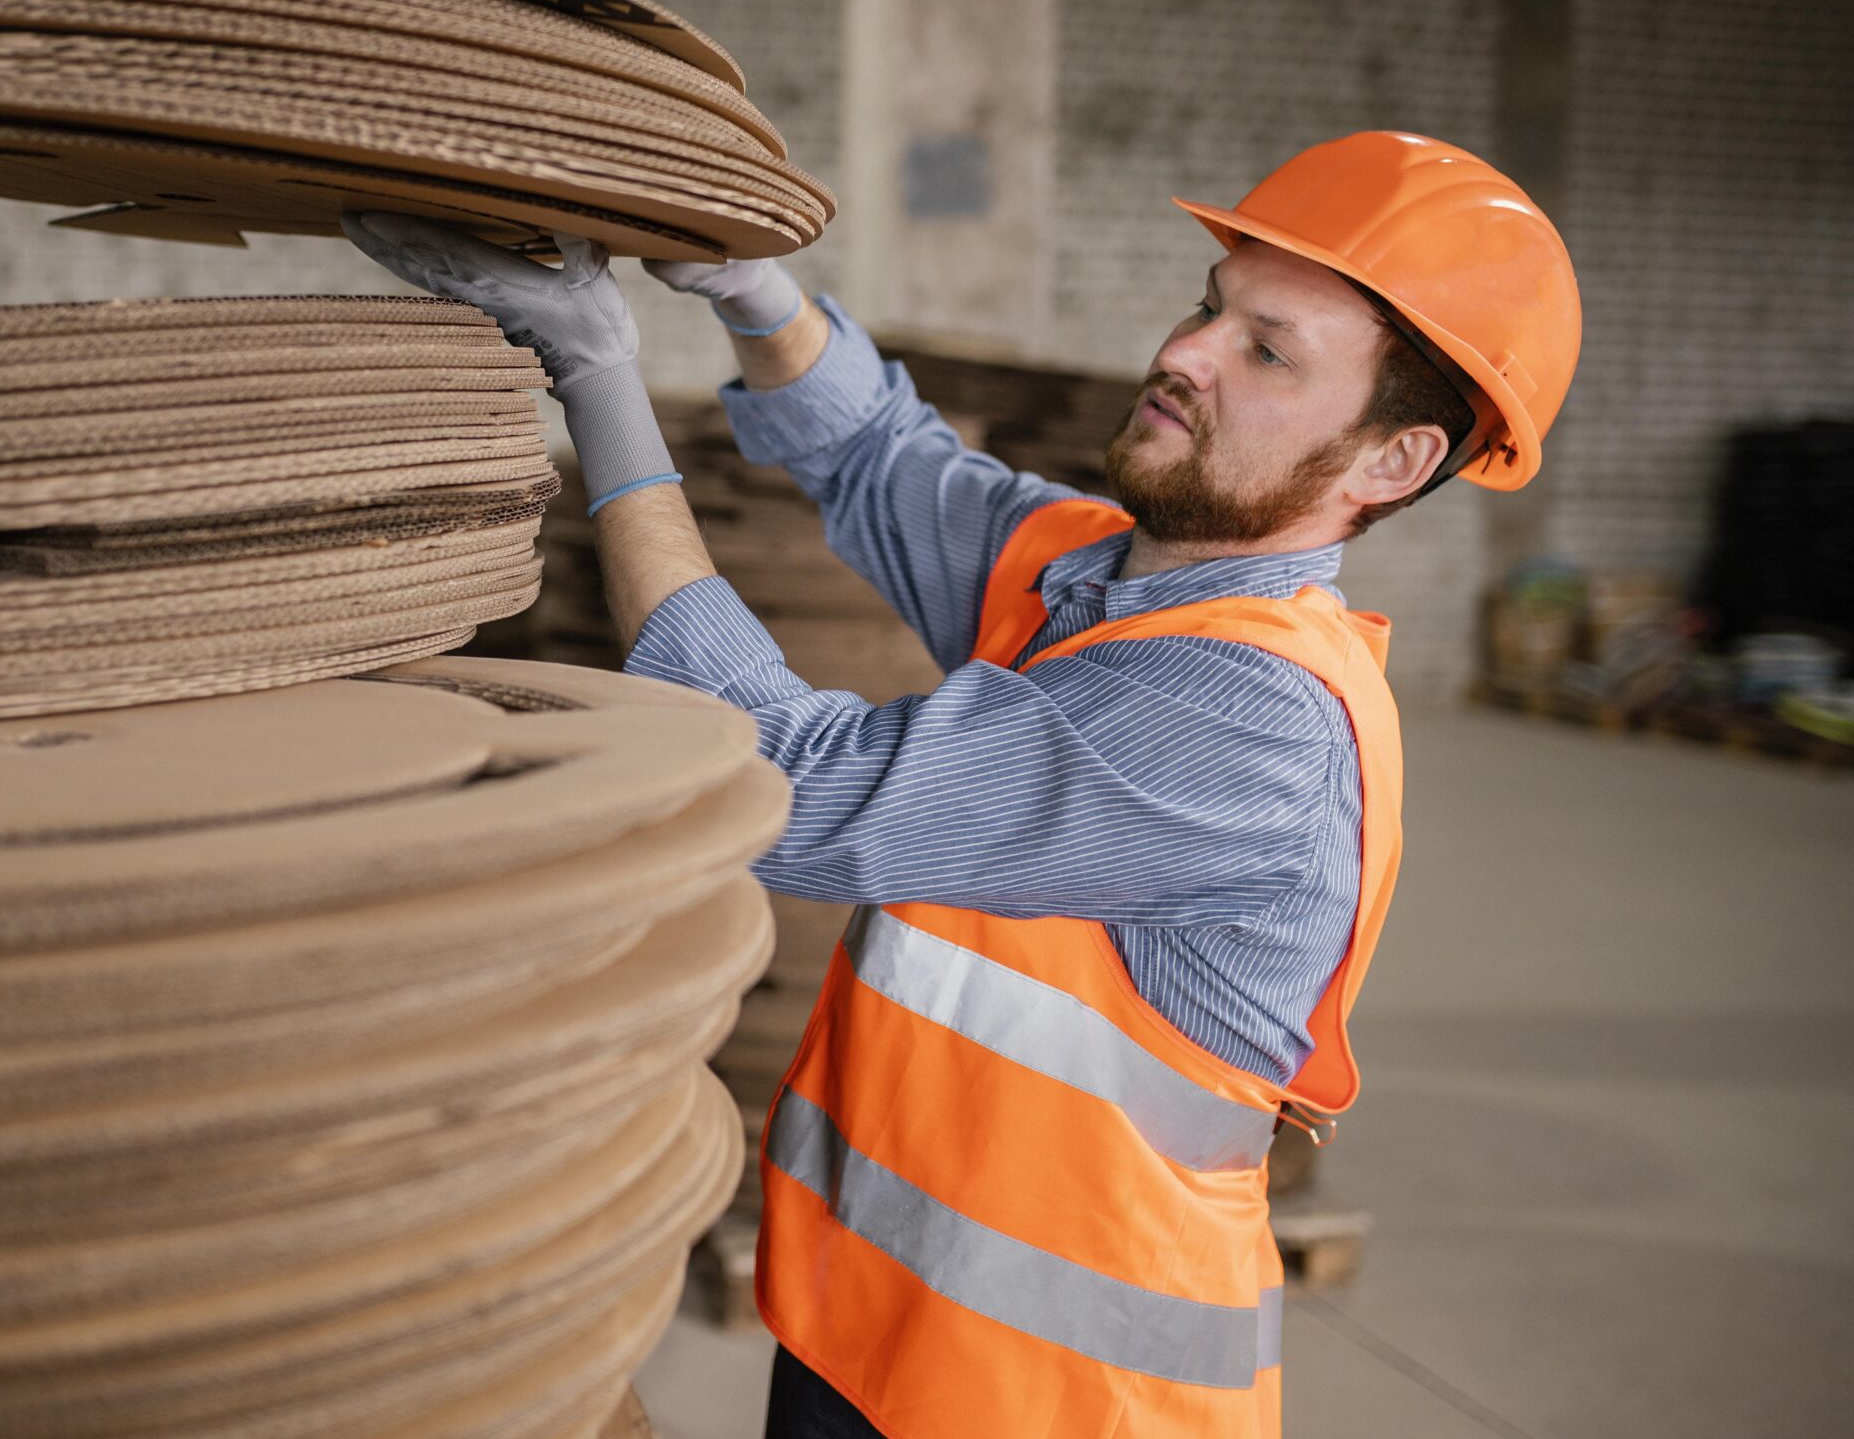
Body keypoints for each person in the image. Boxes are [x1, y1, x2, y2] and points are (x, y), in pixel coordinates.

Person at [346, 130, 1581, 1439]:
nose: (1184, 353)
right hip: (877, 1324)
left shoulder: (1243, 727)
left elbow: (789, 780)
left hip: (1049, 1395)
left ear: (1393, 462)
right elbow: (887, 463)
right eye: (1211, 309)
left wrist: (600, 381)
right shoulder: (1110, 581)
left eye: (1266, 351)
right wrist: (756, 291)